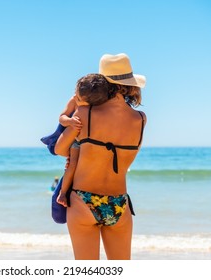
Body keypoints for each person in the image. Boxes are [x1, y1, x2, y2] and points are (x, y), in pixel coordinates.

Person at [54, 53, 147, 260]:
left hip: (83, 200)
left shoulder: (85, 113)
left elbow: (60, 149)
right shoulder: (140, 119)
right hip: (119, 204)